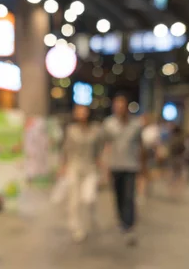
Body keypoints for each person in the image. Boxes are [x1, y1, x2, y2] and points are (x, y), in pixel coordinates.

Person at [102, 95, 146, 247]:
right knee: (119, 196)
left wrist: (143, 167)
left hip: (131, 166)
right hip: (115, 166)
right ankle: (122, 220)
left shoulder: (136, 125)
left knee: (129, 196)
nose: (119, 109)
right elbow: (105, 145)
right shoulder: (108, 124)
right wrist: (104, 166)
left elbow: (141, 146)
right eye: (116, 106)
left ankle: (129, 224)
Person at [60, 105, 103, 243]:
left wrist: (102, 166)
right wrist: (63, 166)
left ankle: (91, 216)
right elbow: (66, 149)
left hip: (90, 167)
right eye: (78, 111)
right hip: (75, 167)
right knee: (75, 199)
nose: (81, 114)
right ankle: (76, 227)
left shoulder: (95, 130)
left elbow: (99, 149)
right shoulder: (71, 130)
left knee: (89, 197)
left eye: (83, 111)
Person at [166, 126, 186, 196]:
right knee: (179, 174)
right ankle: (177, 189)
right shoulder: (181, 140)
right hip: (179, 158)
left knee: (172, 173)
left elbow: (169, 150)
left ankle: (172, 188)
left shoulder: (171, 139)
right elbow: (183, 149)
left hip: (172, 159)